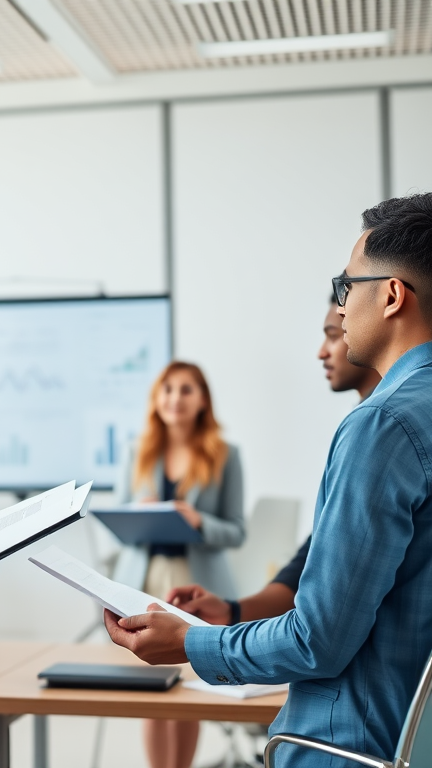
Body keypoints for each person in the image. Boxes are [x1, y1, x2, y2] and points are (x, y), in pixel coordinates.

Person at [105, 193, 432, 768]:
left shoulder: (381, 424)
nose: (340, 306)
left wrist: (188, 643)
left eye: (345, 287)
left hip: (351, 747)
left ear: (391, 295)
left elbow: (318, 640)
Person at [171, 294, 382, 625]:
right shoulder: (362, 422)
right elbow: (314, 554)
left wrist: (218, 645)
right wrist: (233, 612)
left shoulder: (377, 427)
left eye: (332, 334)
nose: (321, 352)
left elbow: (326, 619)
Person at [112, 360, 244, 768]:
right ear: (157, 398)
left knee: (187, 683)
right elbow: (117, 523)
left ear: (203, 399)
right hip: (145, 578)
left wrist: (198, 520)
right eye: (167, 389)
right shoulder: (137, 451)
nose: (175, 398)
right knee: (152, 684)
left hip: (195, 583)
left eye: (187, 389)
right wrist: (138, 513)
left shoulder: (225, 455)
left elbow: (237, 531)